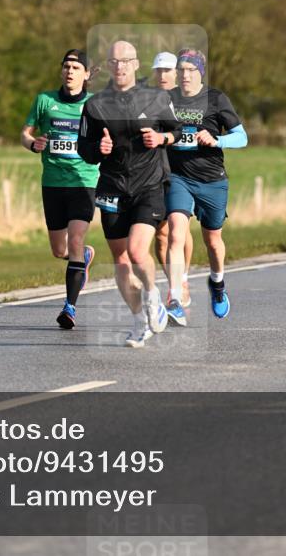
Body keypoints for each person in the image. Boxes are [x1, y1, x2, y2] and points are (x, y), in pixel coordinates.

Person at [77, 40, 181, 348]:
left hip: (149, 185)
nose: (120, 66)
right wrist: (99, 149)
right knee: (121, 261)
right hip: (112, 188)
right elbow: (84, 149)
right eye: (114, 61)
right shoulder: (95, 105)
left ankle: (152, 297)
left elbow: (178, 132)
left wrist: (161, 137)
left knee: (137, 252)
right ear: (108, 66)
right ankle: (139, 322)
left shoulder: (157, 98)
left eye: (126, 61)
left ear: (136, 64)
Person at [164, 49, 247, 325]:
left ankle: (217, 283)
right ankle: (175, 297)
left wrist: (217, 140)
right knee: (176, 233)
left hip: (212, 180)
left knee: (212, 241)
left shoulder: (216, 99)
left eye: (190, 70)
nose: (185, 75)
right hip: (178, 178)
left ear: (200, 71)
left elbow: (242, 138)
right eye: (181, 70)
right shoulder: (168, 99)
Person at [21, 49, 98, 329]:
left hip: (83, 181)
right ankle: (84, 257)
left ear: (87, 74)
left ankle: (70, 307)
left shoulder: (95, 105)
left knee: (75, 239)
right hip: (52, 182)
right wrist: (32, 144)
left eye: (76, 67)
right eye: (66, 66)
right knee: (59, 250)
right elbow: (25, 132)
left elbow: (108, 138)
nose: (70, 71)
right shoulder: (45, 100)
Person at [150, 51, 193, 308]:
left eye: (168, 70)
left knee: (179, 227)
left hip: (184, 171)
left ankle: (182, 280)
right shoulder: (150, 98)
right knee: (161, 234)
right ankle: (173, 282)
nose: (163, 75)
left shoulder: (187, 98)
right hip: (156, 170)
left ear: (176, 72)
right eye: (159, 71)